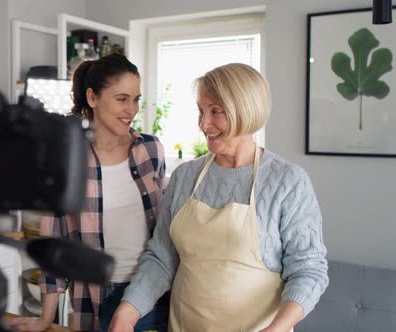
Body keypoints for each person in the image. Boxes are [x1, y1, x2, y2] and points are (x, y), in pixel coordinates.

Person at [109, 63, 329, 332]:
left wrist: (277, 328)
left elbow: (309, 270)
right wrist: (127, 311)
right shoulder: (185, 177)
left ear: (245, 112)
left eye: (216, 112)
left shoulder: (287, 182)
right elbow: (162, 258)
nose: (204, 124)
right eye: (200, 111)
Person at [7, 54, 170, 332]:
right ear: (92, 98)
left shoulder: (150, 149)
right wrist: (46, 318)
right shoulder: (66, 159)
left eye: (136, 99)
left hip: (150, 292)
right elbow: (53, 240)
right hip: (95, 298)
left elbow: (164, 229)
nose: (131, 109)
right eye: (121, 99)